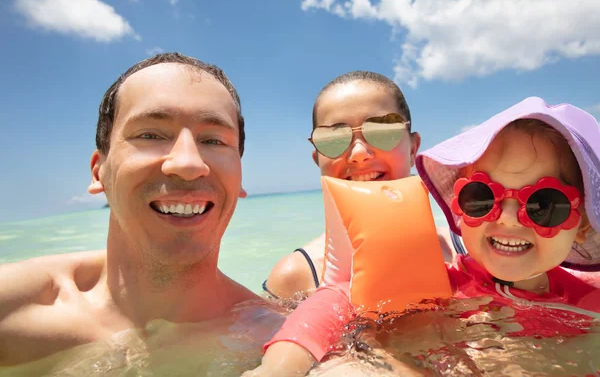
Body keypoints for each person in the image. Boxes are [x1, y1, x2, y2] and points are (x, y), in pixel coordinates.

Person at [248, 97, 600, 376]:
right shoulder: (438, 285)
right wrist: (277, 367)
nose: (508, 220)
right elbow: (337, 301)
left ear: (583, 222)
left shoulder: (590, 303)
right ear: (459, 208)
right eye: (481, 198)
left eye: (543, 204)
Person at [0, 53, 281, 368]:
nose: (187, 164)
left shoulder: (276, 338)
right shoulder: (12, 310)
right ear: (98, 172)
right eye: (151, 135)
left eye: (214, 140)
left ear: (240, 177)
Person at [263, 71, 459, 300]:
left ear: (413, 149)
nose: (358, 154)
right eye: (332, 138)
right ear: (318, 159)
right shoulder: (296, 277)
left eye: (383, 131)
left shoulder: (467, 252)